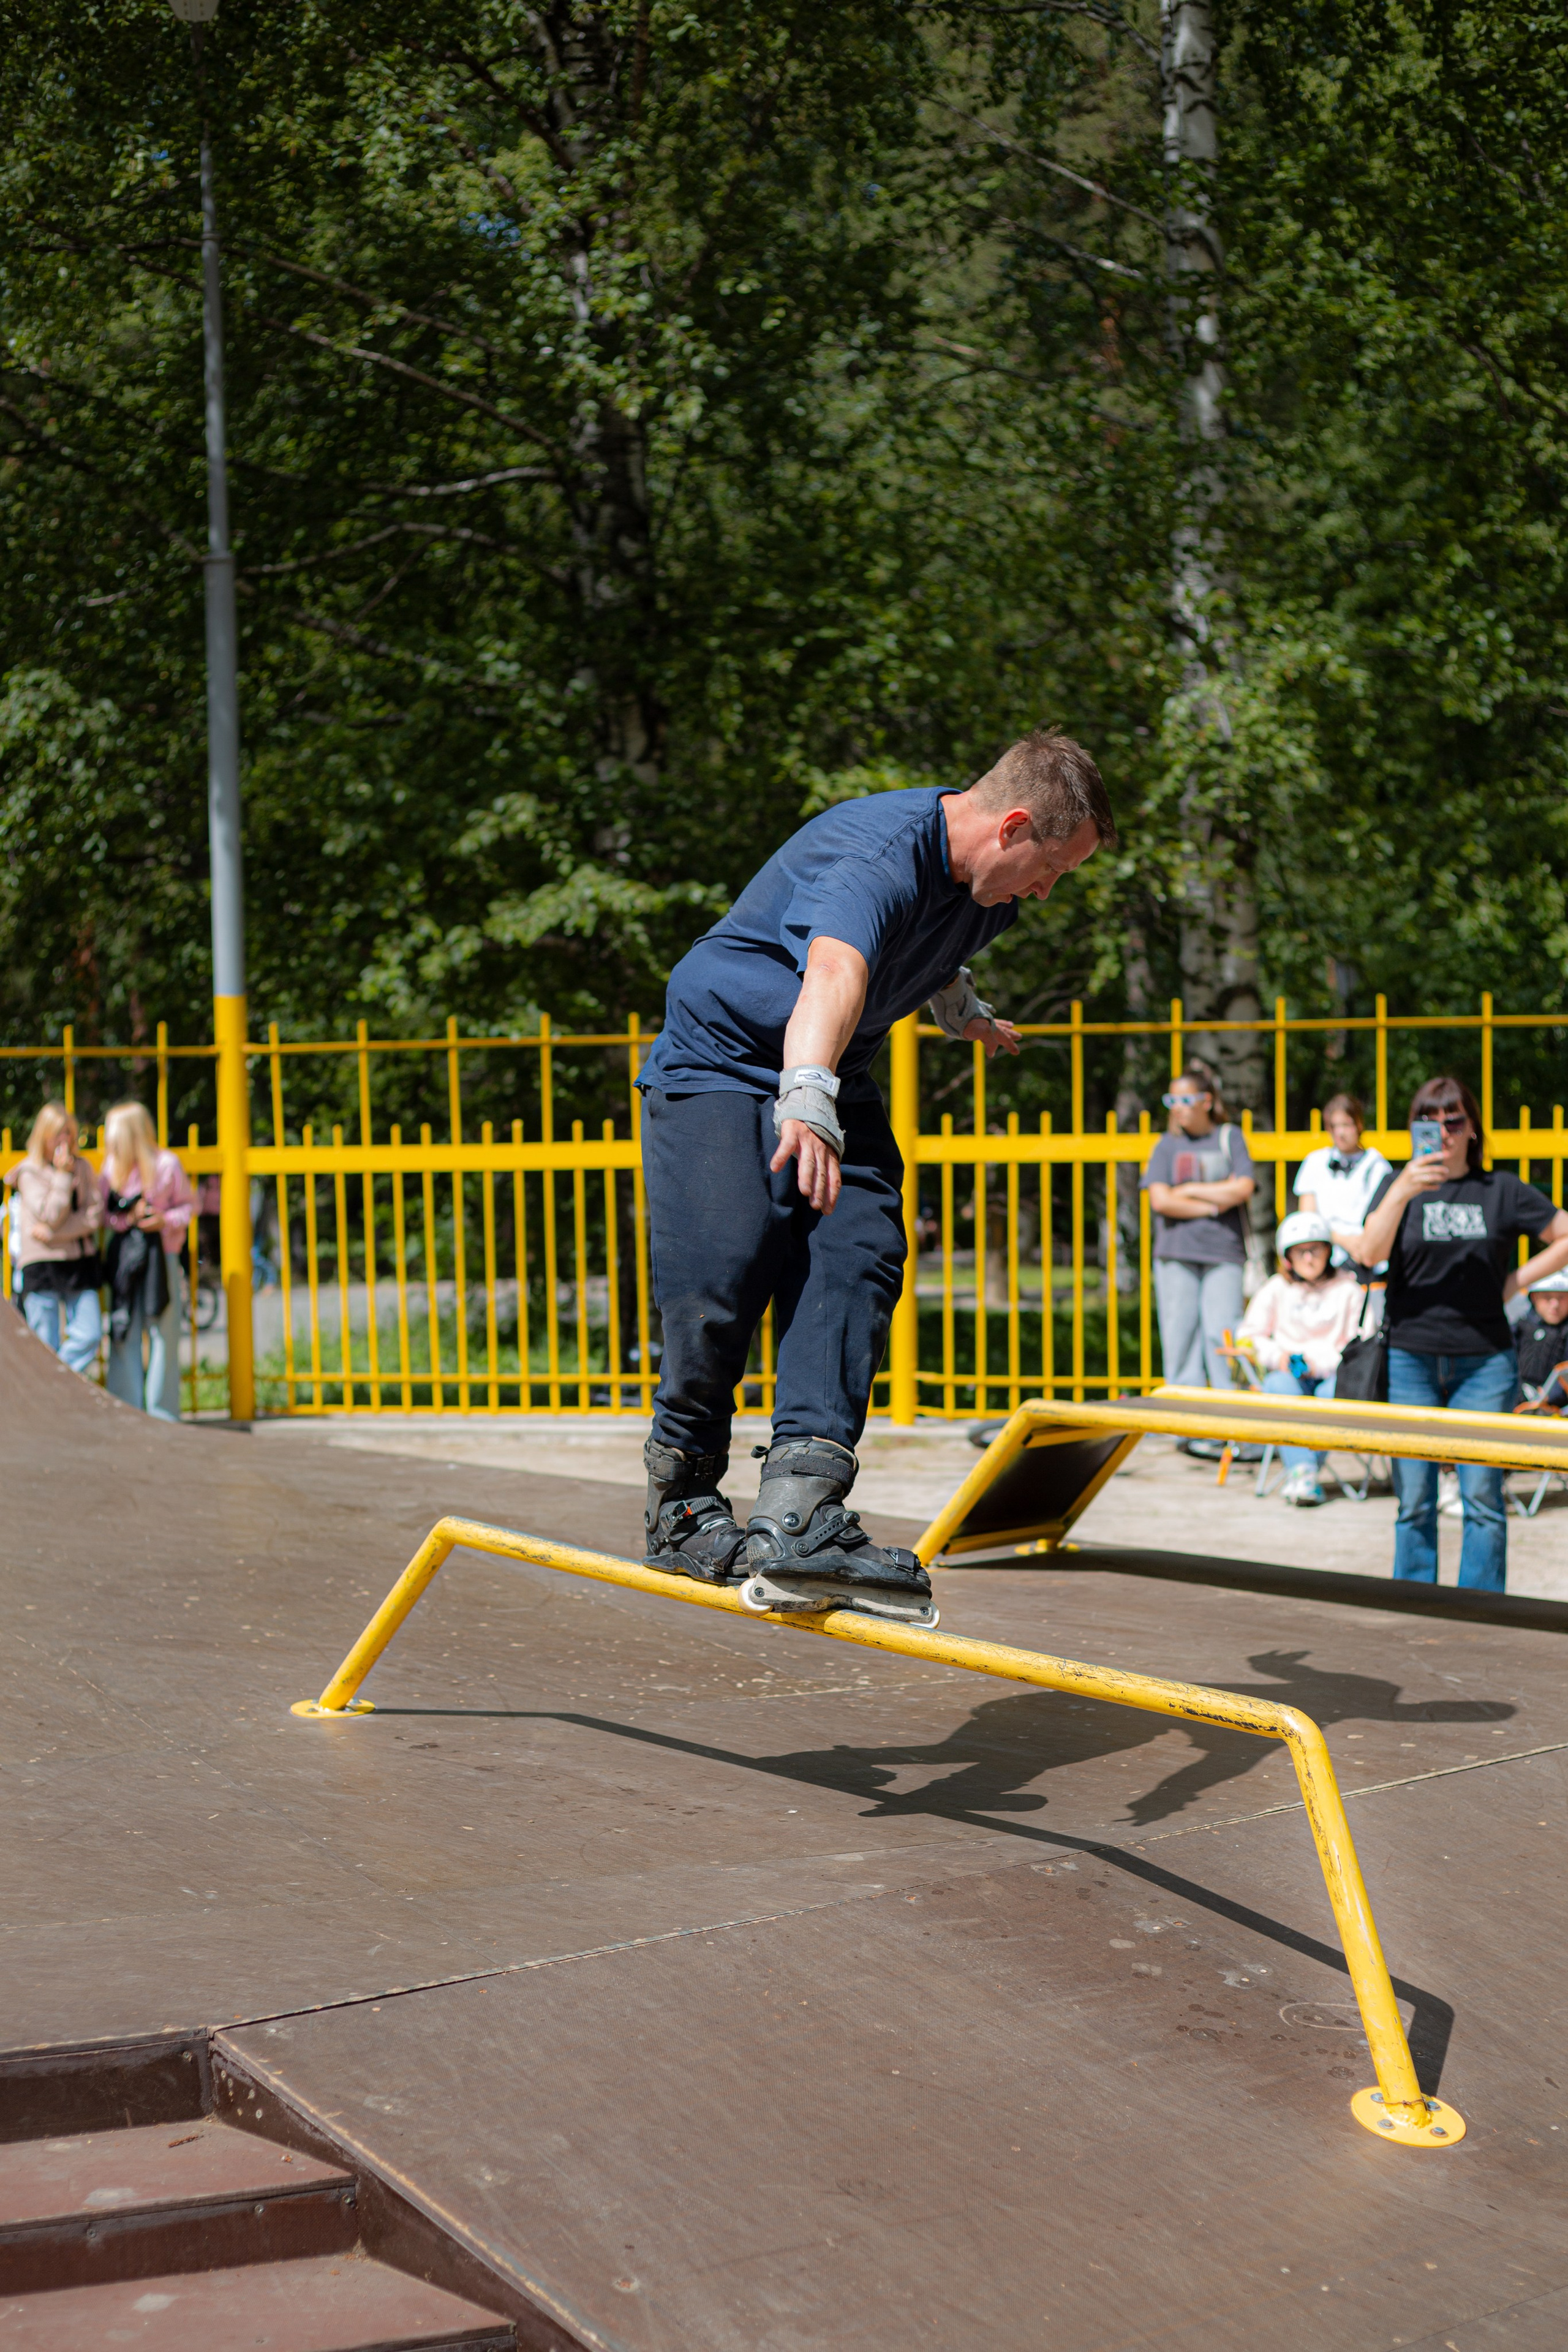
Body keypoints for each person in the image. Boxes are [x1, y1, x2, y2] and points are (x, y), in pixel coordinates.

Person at [635, 728, 1115, 1620]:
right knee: (725, 1274)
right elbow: (837, 964)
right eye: (1052, 868)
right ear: (1012, 827)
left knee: (859, 1251)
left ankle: (802, 1507)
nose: (1048, 892)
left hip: (833, 1065)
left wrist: (960, 1009)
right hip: (722, 1060)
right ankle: (683, 1495)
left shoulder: (989, 887)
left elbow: (931, 946)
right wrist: (807, 1098)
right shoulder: (877, 851)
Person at [1354, 1073, 1568, 1589]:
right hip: (1411, 1354)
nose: (1442, 1132)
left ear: (1473, 1129)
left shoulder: (1501, 1189)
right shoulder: (1395, 1186)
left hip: (1484, 1361)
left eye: (1454, 1121)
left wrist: (1516, 1281)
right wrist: (1403, 1188)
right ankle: (1414, 1606)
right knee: (1414, 1501)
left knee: (1483, 1499)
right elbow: (1367, 1255)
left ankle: (1481, 1617)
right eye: (1428, 1121)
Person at [1141, 1066, 1258, 1399]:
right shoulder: (1166, 1145)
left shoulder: (1229, 1137)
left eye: (1185, 1099)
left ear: (1206, 1102)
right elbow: (1161, 1200)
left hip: (1223, 1252)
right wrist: (1213, 1203)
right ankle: (1186, 1424)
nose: (1177, 1107)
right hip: (1176, 1253)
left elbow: (1243, 1187)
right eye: (1171, 1100)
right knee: (1181, 1339)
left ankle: (1231, 1421)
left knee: (1222, 1336)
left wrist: (1189, 1189)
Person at [1238, 1210, 1364, 1506]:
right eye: (1300, 1251)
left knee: (1333, 1396)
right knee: (1280, 1388)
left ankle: (1303, 1472)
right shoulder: (1276, 1288)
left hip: (1333, 1373)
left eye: (1316, 1249)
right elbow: (1249, 1334)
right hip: (1288, 1373)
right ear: (1287, 1257)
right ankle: (1303, 1473)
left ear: (1328, 1252)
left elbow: (1358, 1344)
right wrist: (1277, 1356)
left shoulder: (1348, 1289)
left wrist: (1319, 1363)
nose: (1309, 1258)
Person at [100, 1099, 195, 1421]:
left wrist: (163, 1220)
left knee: (163, 1335)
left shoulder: (168, 1164)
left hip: (162, 1259)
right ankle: (126, 1410)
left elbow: (189, 1208)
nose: (109, 1143)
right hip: (125, 1261)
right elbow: (104, 1216)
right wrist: (129, 1218)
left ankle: (162, 1414)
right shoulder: (111, 1168)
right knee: (124, 1330)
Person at [2, 1102, 104, 1375]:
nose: (64, 1142)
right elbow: (50, 1214)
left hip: (78, 1261)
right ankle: (50, 1395)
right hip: (42, 1265)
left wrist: (55, 1235)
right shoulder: (29, 1172)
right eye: (57, 1135)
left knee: (90, 1333)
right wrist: (61, 1176)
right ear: (43, 1136)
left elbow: (93, 1216)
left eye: (68, 1134)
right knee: (44, 1343)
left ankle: (55, 1379)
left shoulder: (82, 1168)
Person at [1293, 1093, 1392, 1270]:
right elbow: (1307, 1219)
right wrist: (1340, 1239)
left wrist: (1362, 1245)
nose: (1340, 1132)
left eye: (1346, 1125)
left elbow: (1383, 1217)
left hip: (1365, 1258)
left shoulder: (1377, 1165)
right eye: (1335, 1126)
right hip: (1322, 1257)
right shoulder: (1315, 1161)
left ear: (1359, 1125)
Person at [1513, 1268, 1568, 1409]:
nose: (1555, 1305)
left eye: (1562, 1298)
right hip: (1515, 1404)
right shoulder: (1518, 1329)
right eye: (1548, 1297)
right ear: (1534, 1297)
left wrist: (1550, 1398)